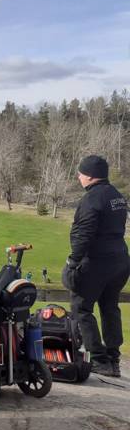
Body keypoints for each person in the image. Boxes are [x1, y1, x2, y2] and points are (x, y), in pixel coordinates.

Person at [62, 155, 129, 378]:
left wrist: (72, 262)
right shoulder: (117, 196)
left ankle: (100, 360)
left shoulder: (92, 199)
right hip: (120, 260)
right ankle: (113, 359)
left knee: (81, 307)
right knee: (110, 307)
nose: (78, 177)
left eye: (81, 173)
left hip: (98, 261)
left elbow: (84, 234)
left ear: (90, 176)